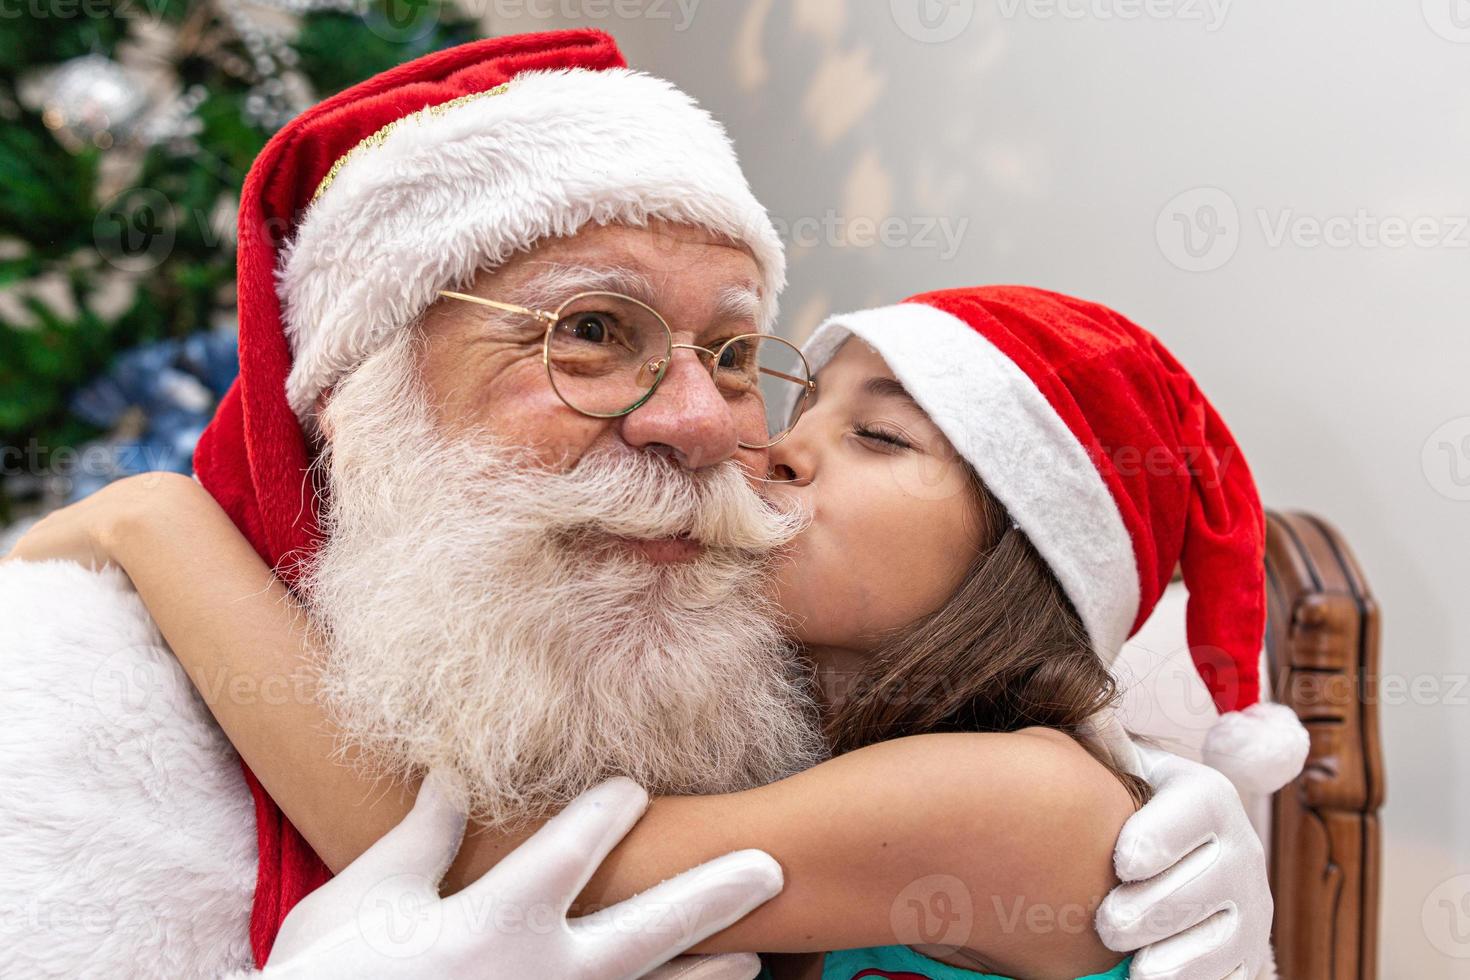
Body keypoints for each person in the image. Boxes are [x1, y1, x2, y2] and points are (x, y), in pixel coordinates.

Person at [0, 29, 1281, 980]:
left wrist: (150, 523)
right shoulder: (775, 705)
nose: (742, 439)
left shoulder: (1016, 796)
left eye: (880, 436)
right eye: (595, 331)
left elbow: (498, 871)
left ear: (1023, 566)